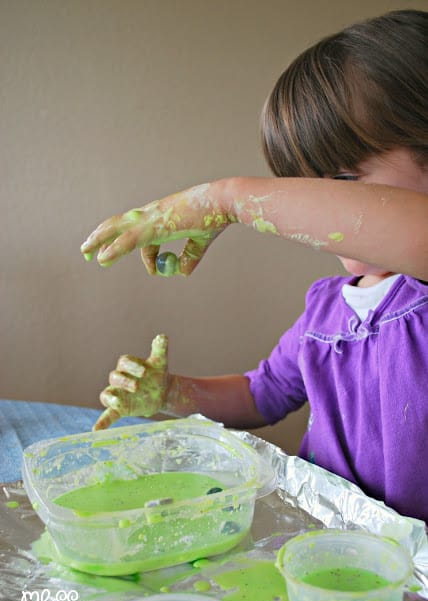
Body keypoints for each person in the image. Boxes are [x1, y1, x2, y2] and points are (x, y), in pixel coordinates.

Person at [81, 10, 428, 522]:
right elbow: (259, 395)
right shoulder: (324, 312)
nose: (314, 207)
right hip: (337, 551)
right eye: (309, 191)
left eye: (344, 181)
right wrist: (173, 392)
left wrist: (229, 200)